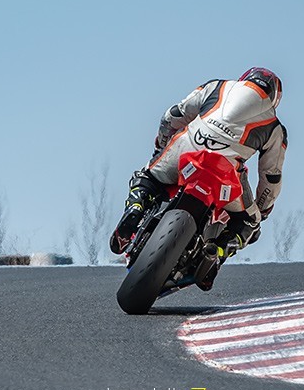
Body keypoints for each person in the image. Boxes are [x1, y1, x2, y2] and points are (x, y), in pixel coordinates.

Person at [109, 67, 287, 258]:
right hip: (225, 173)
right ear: (275, 98)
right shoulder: (275, 128)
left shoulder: (217, 86)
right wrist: (262, 209)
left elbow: (173, 115)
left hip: (186, 148)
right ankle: (216, 252)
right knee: (249, 222)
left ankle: (136, 206)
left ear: (244, 79)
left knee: (148, 177)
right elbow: (271, 177)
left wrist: (162, 145)